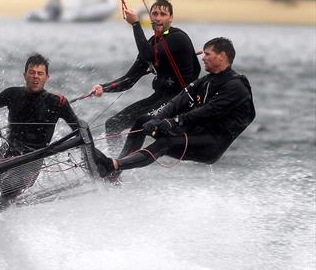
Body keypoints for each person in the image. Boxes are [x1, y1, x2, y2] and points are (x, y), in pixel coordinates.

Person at [93, 37, 255, 176]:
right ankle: (115, 171)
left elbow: (209, 111)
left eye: (207, 54)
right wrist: (157, 119)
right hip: (193, 132)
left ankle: (112, 166)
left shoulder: (236, 86)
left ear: (222, 56)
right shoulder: (207, 81)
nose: (203, 57)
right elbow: (179, 101)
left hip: (212, 144)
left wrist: (173, 122)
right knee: (143, 121)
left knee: (166, 143)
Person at [90, 0, 200, 158]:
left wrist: (135, 24)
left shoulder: (178, 38)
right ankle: (115, 162)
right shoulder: (152, 43)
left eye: (163, 14)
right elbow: (129, 79)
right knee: (113, 124)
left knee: (141, 122)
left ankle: (119, 167)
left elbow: (148, 54)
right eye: (154, 13)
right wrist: (103, 87)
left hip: (178, 101)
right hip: (158, 98)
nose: (158, 17)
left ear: (171, 18)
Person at [0, 54, 79, 196]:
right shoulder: (13, 94)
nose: (35, 76)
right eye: (32, 73)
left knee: (8, 185)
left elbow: (79, 131)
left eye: (40, 73)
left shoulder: (58, 102)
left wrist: (103, 162)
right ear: (25, 75)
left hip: (32, 161)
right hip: (6, 153)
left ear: (47, 77)